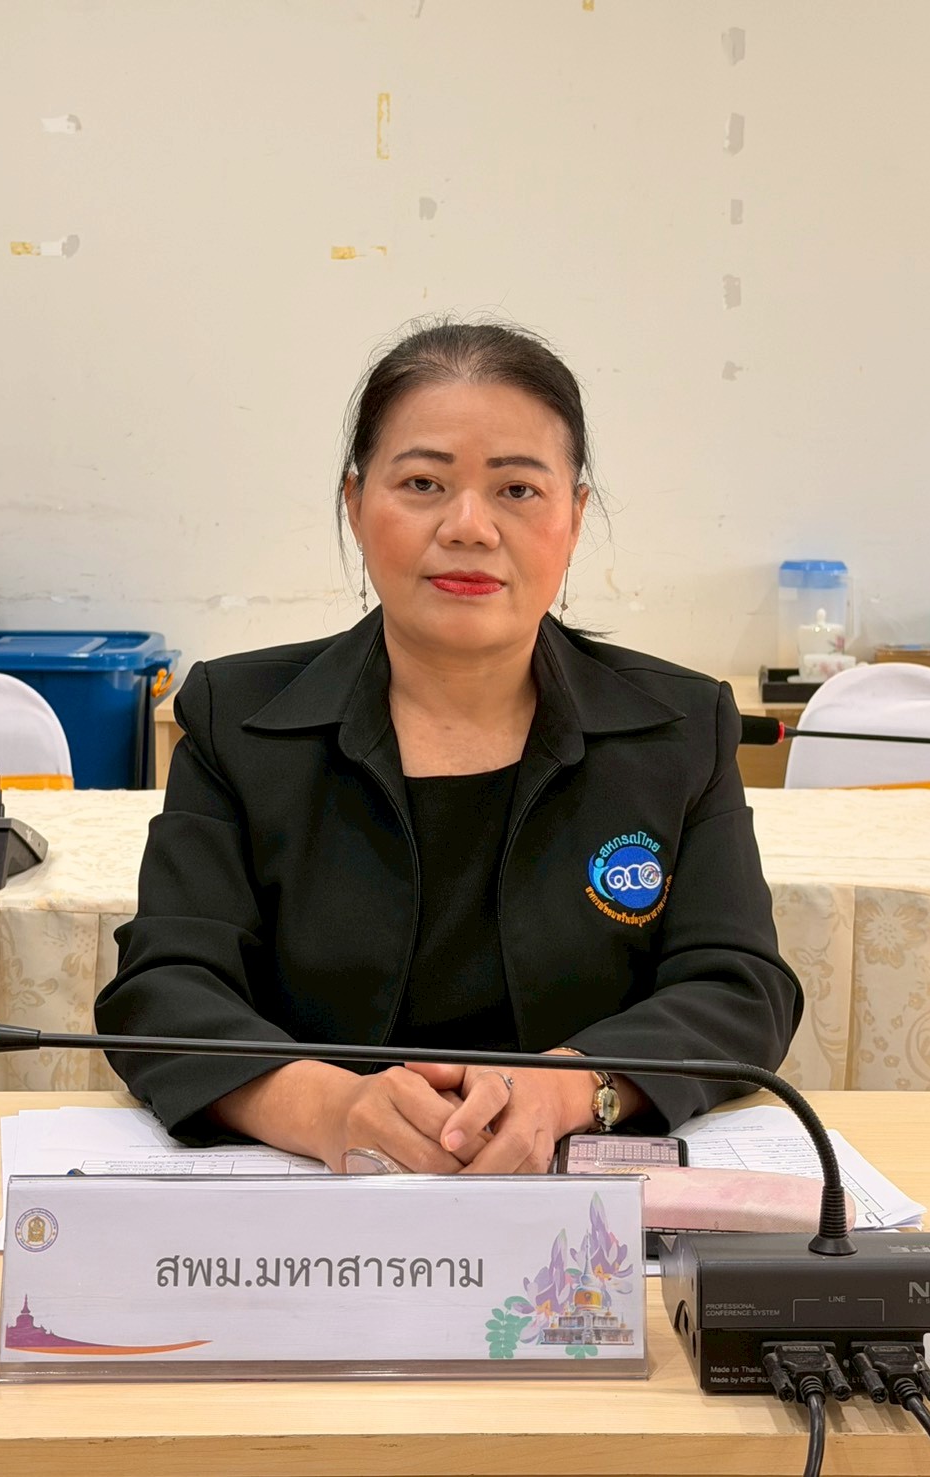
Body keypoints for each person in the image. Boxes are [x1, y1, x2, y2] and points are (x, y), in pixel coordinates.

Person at [96, 320, 802, 1175]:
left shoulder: (678, 725)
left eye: (518, 489)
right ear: (356, 504)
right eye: (424, 483)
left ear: (575, 517)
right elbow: (165, 988)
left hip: (574, 1204)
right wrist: (330, 1108)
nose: (469, 526)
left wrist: (571, 1089)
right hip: (315, 1197)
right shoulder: (237, 718)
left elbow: (737, 987)